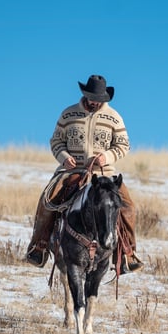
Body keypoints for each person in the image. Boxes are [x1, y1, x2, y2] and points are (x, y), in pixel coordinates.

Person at [25, 74, 143, 273]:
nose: (94, 101)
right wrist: (63, 157)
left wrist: (106, 157)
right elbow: (56, 141)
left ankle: (127, 253)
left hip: (104, 173)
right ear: (85, 94)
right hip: (71, 171)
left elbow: (123, 144)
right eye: (91, 97)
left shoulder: (114, 117)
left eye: (99, 99)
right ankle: (39, 246)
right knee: (47, 200)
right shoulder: (68, 114)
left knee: (127, 206)